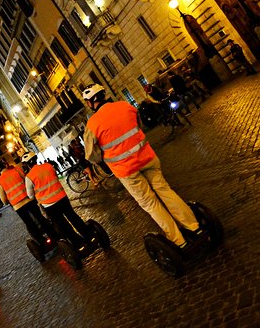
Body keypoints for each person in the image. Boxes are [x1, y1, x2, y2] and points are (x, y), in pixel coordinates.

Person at [81, 84, 202, 250]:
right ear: (104, 94)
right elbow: (138, 125)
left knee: (150, 203)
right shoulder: (125, 106)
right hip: (147, 158)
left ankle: (179, 240)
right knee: (165, 191)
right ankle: (194, 226)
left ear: (89, 102)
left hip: (126, 170)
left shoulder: (92, 125)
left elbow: (92, 156)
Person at [21, 152, 99, 252]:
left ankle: (79, 245)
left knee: (64, 225)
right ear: (35, 158)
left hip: (49, 205)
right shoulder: (48, 166)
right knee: (74, 217)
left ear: (27, 164)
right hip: (62, 197)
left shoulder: (29, 177)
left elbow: (30, 195)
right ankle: (90, 237)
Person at [0, 160, 60, 246]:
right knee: (40, 218)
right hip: (29, 199)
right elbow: (26, 180)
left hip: (18, 206)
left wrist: (8, 201)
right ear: (5, 164)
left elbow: (4, 200)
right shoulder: (16, 169)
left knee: (30, 224)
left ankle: (44, 243)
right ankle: (54, 236)